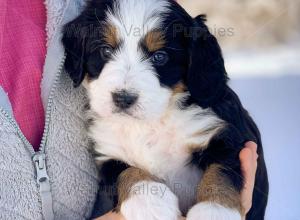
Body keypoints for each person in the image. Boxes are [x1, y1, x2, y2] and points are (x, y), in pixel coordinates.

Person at [0, 0, 258, 219]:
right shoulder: (105, 130)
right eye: (105, 50)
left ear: (193, 61)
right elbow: (116, 171)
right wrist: (138, 189)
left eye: (158, 57)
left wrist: (220, 201)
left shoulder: (203, 114)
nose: (124, 91)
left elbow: (229, 153)